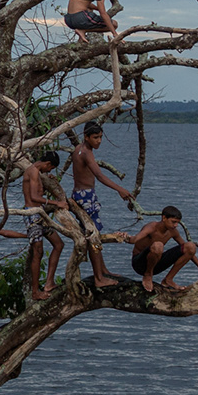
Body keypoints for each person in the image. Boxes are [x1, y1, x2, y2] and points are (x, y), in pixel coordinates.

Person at [68, 123, 130, 288]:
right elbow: (100, 176)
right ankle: (98, 278)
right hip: (85, 196)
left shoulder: (79, 149)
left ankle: (102, 270)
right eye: (96, 137)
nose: (99, 141)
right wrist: (119, 189)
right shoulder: (85, 153)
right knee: (93, 236)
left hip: (81, 194)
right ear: (86, 137)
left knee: (94, 233)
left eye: (101, 137)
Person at [131, 205, 198, 291]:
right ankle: (148, 275)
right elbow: (134, 239)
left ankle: (168, 280)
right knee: (158, 245)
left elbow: (189, 251)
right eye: (173, 222)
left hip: (156, 264)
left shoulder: (173, 232)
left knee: (191, 246)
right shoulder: (151, 227)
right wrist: (126, 238)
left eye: (177, 222)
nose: (176, 225)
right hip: (139, 264)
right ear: (164, 218)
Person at [20, 151, 67, 300]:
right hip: (32, 214)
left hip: (40, 214)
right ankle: (35, 292)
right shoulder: (33, 171)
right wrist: (57, 203)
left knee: (58, 244)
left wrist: (50, 181)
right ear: (47, 164)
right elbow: (34, 197)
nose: (50, 170)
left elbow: (38, 192)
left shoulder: (39, 173)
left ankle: (49, 283)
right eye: (51, 168)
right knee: (38, 251)